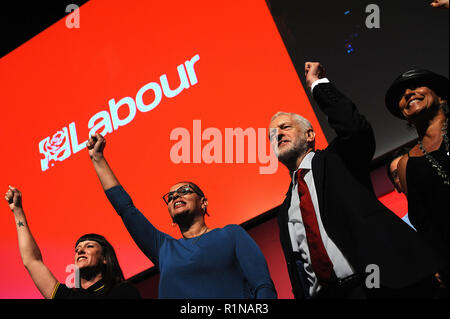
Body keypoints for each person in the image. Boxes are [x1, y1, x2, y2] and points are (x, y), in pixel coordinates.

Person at [268, 62, 444, 299]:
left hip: (380, 285)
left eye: (285, 127)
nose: (277, 134)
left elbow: (355, 129)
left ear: (310, 135)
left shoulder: (337, 161)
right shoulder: (285, 210)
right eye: (271, 135)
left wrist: (317, 85)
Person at [86, 134, 277, 299]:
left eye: (185, 190)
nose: (176, 195)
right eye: (170, 197)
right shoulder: (164, 248)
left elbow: (262, 284)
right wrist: (98, 159)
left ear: (203, 203)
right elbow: (126, 209)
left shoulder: (231, 235)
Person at [4, 186, 141, 299]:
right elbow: (32, 261)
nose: (80, 251)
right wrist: (18, 211)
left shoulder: (123, 292)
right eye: (77, 249)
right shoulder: (68, 296)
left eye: (89, 246)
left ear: (105, 258)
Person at [385, 68, 449, 288]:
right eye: (402, 95)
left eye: (416, 85)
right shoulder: (406, 164)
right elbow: (425, 224)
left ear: (441, 96)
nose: (409, 93)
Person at [386, 146, 416, 229]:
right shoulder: (403, 228)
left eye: (406, 167)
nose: (403, 174)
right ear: (396, 188)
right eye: (396, 174)